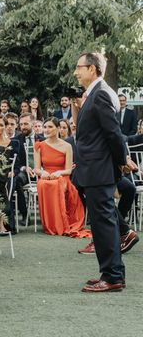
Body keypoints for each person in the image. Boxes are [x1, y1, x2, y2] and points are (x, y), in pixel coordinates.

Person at [73, 52, 134, 292]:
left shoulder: (101, 94)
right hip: (93, 168)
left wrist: (121, 161)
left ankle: (112, 277)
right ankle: (113, 273)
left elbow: (113, 133)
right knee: (102, 222)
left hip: (99, 169)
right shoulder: (95, 94)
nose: (76, 72)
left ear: (93, 69)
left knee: (104, 223)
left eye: (79, 67)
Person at [33, 117, 90, 238]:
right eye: (45, 127)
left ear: (58, 128)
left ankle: (59, 224)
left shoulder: (67, 146)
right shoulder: (39, 145)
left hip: (62, 177)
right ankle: (49, 225)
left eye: (50, 127)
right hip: (46, 176)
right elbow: (37, 169)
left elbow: (69, 170)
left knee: (55, 184)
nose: (47, 130)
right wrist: (42, 173)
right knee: (44, 184)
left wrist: (59, 173)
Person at [11, 113, 44, 224]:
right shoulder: (16, 140)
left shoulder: (42, 139)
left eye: (26, 123)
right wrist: (24, 168)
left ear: (33, 123)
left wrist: (40, 169)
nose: (23, 127)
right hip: (25, 172)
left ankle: (47, 217)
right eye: (21, 124)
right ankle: (25, 215)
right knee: (17, 180)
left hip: (41, 171)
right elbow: (16, 162)